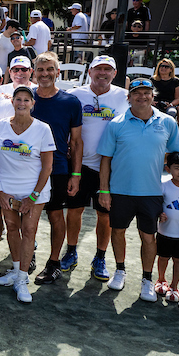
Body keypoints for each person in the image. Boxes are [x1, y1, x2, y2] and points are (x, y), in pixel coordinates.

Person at [97, 78, 179, 299]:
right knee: (118, 232)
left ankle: (147, 279)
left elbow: (175, 158)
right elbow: (105, 160)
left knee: (148, 237)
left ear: (153, 96)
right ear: (129, 97)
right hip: (120, 191)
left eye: (146, 93)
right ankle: (120, 270)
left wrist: (173, 191)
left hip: (152, 193)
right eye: (136, 93)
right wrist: (104, 190)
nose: (141, 97)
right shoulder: (116, 124)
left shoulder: (168, 123)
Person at [0, 86, 54, 303]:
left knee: (29, 230)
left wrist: (33, 197)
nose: (22, 103)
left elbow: (47, 167)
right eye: (18, 99)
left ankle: (23, 279)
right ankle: (16, 271)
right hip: (7, 190)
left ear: (32, 104)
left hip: (34, 191)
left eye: (27, 100)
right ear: (13, 101)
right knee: (13, 228)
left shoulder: (43, 129)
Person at [67, 55, 128, 281]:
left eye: (107, 70)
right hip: (79, 165)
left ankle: (100, 257)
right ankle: (71, 251)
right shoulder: (75, 95)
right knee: (74, 211)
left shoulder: (125, 97)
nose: (102, 73)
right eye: (98, 69)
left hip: (110, 169)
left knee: (105, 217)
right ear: (90, 71)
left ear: (115, 73)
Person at [29, 53, 83, 286]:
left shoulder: (70, 102)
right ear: (34, 72)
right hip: (28, 169)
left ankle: (53, 263)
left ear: (57, 72)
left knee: (54, 216)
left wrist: (76, 174)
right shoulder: (25, 98)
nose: (45, 74)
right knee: (27, 216)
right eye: (40, 70)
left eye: (49, 69)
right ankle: (26, 255)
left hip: (59, 169)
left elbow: (77, 142)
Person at [155, 151, 179, 303]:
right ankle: (161, 280)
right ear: (168, 169)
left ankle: (174, 286)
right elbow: (156, 205)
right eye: (177, 167)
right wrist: (159, 213)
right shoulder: (163, 186)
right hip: (164, 232)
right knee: (163, 258)